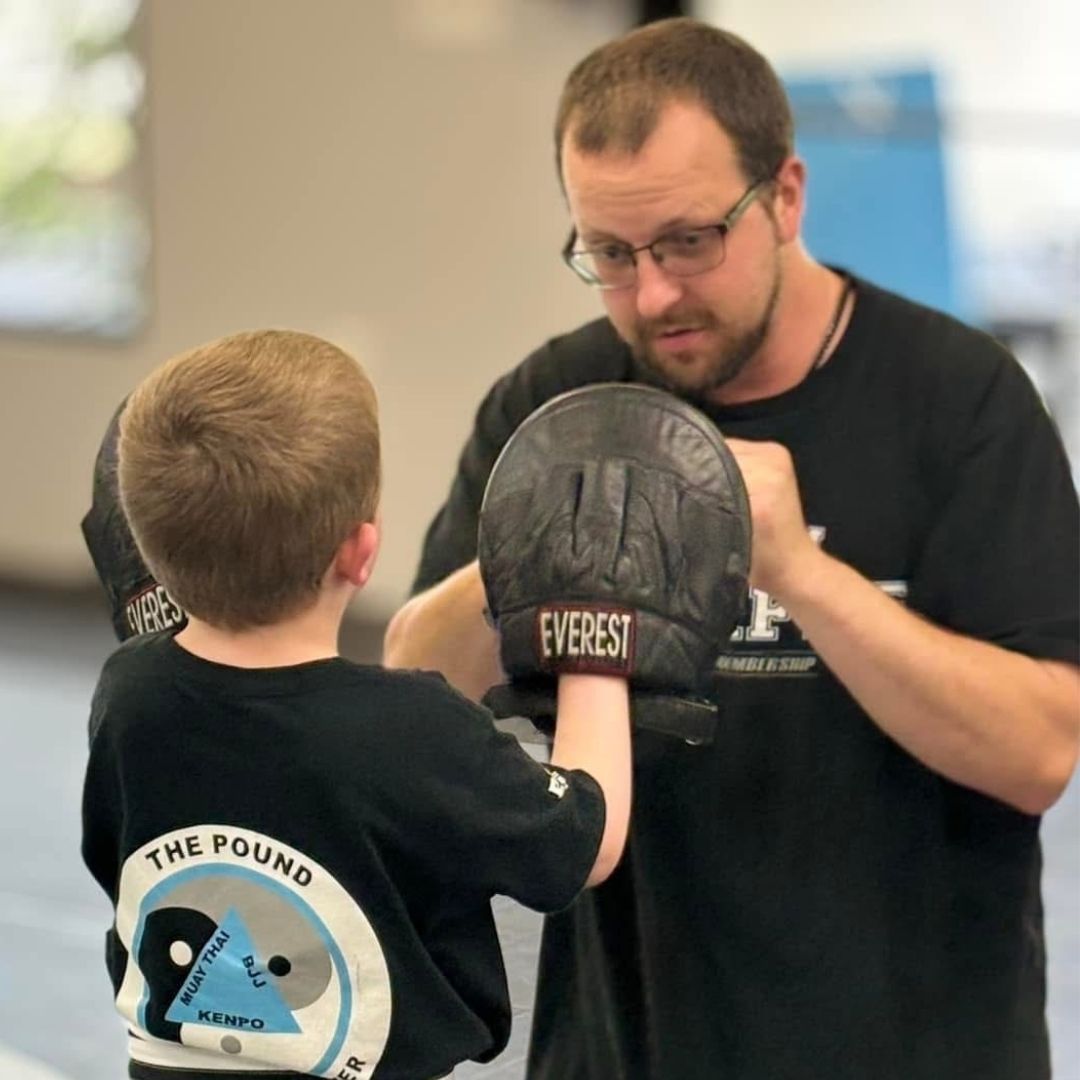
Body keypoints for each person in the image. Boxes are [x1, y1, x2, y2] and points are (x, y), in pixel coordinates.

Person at [381, 17, 1080, 1080]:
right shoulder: (557, 402)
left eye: (688, 242)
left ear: (786, 197)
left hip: (919, 1046)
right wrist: (531, 549)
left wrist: (800, 573)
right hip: (628, 1042)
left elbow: (1038, 754)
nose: (652, 293)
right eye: (610, 254)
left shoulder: (958, 400)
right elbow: (413, 688)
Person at [79, 329, 635, 1080]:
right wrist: (602, 631)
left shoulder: (129, 693)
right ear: (360, 551)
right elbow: (583, 841)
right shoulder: (409, 731)